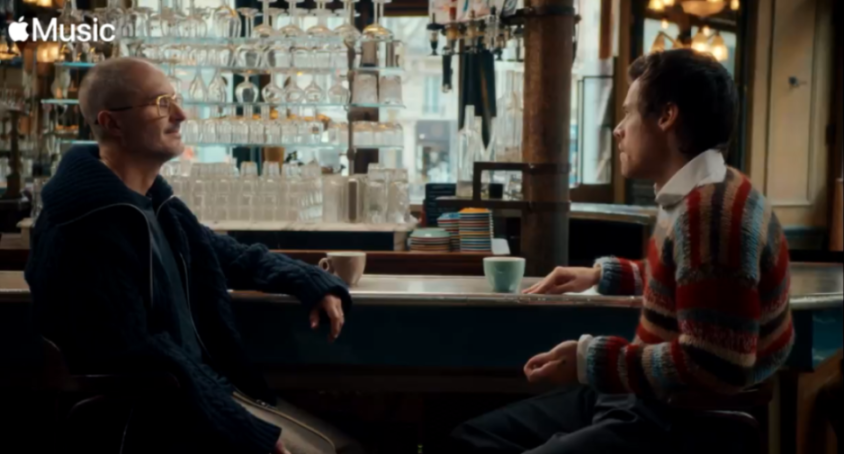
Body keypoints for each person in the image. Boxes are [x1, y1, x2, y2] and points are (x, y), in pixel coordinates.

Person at [451, 49, 795, 453]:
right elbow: (694, 285)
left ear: (666, 116)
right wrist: (602, 275)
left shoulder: (711, 217)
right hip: (649, 397)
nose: (618, 130)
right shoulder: (711, 189)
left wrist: (587, 360)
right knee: (473, 438)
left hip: (679, 417)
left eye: (629, 113)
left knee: (473, 442)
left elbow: (714, 365)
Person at [25, 57, 352, 454]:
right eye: (161, 104)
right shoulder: (83, 225)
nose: (180, 114)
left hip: (206, 395)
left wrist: (311, 280)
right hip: (153, 421)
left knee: (347, 444)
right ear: (112, 123)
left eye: (175, 100)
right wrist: (243, 430)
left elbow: (229, 256)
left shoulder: (154, 203)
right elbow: (141, 355)